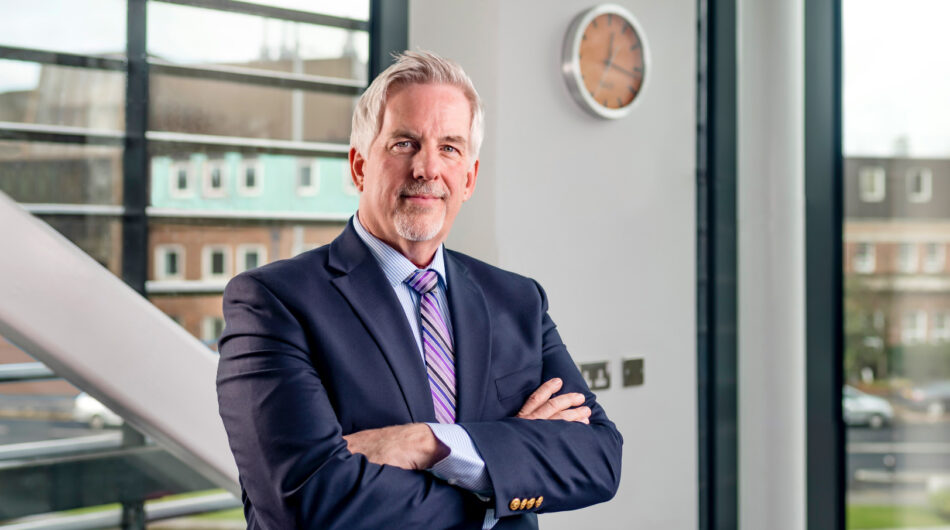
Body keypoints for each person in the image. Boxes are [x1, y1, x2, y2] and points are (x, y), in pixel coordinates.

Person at [216, 50, 622, 530]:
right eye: (404, 143)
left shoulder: (517, 301)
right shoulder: (273, 301)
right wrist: (504, 467)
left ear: (469, 178)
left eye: (450, 147)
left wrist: (429, 443)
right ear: (359, 166)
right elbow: (308, 501)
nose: (427, 169)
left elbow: (598, 459)